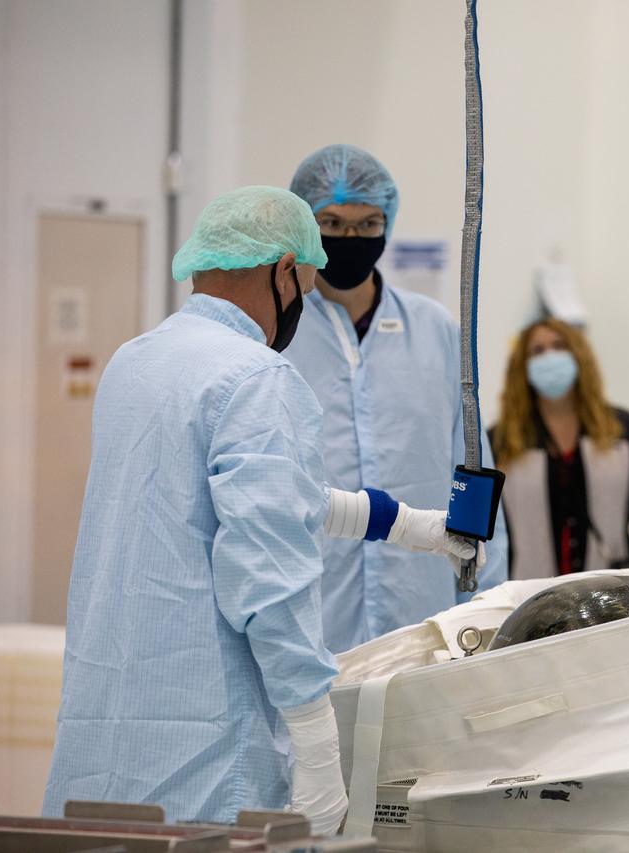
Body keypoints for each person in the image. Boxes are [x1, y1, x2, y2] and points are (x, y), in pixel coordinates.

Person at [43, 187, 478, 833]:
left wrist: (407, 525)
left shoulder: (135, 362)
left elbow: (239, 500)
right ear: (281, 271)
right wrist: (314, 738)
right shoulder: (254, 378)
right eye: (302, 284)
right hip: (206, 752)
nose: (300, 302)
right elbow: (269, 573)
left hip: (104, 733)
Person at [284, 144, 508, 653]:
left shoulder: (433, 331)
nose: (350, 238)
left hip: (423, 614)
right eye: (332, 223)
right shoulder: (279, 334)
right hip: (310, 615)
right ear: (305, 227)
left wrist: (488, 603)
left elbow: (470, 467)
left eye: (368, 224)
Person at [490, 318, 629, 578]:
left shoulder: (621, 429)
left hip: (612, 595)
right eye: (538, 350)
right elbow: (486, 525)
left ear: (578, 357)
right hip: (529, 596)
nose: (550, 356)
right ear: (522, 368)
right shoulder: (502, 441)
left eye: (560, 345)